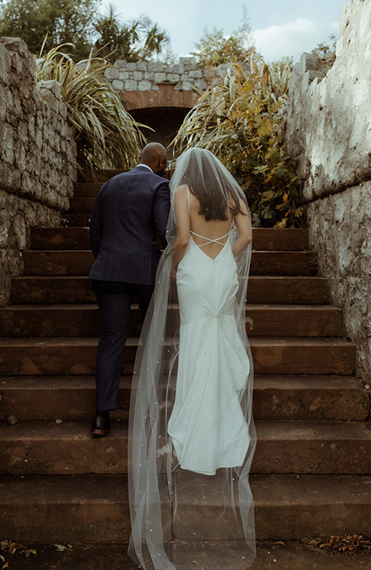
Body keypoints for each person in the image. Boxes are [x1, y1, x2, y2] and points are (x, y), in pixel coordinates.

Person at [127, 147, 256, 570]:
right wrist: (224, 257)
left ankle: (195, 418)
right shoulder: (230, 194)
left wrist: (174, 264)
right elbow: (247, 237)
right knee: (219, 331)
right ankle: (224, 420)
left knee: (197, 332)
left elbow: (181, 239)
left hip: (195, 270)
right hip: (222, 271)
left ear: (187, 170)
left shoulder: (183, 191)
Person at [88, 142, 169, 437]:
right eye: (167, 163)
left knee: (111, 339)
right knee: (151, 334)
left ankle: (101, 417)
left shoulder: (109, 185)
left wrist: (108, 259)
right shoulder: (160, 186)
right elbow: (163, 230)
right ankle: (150, 410)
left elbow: (94, 232)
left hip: (108, 272)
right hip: (145, 273)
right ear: (160, 162)